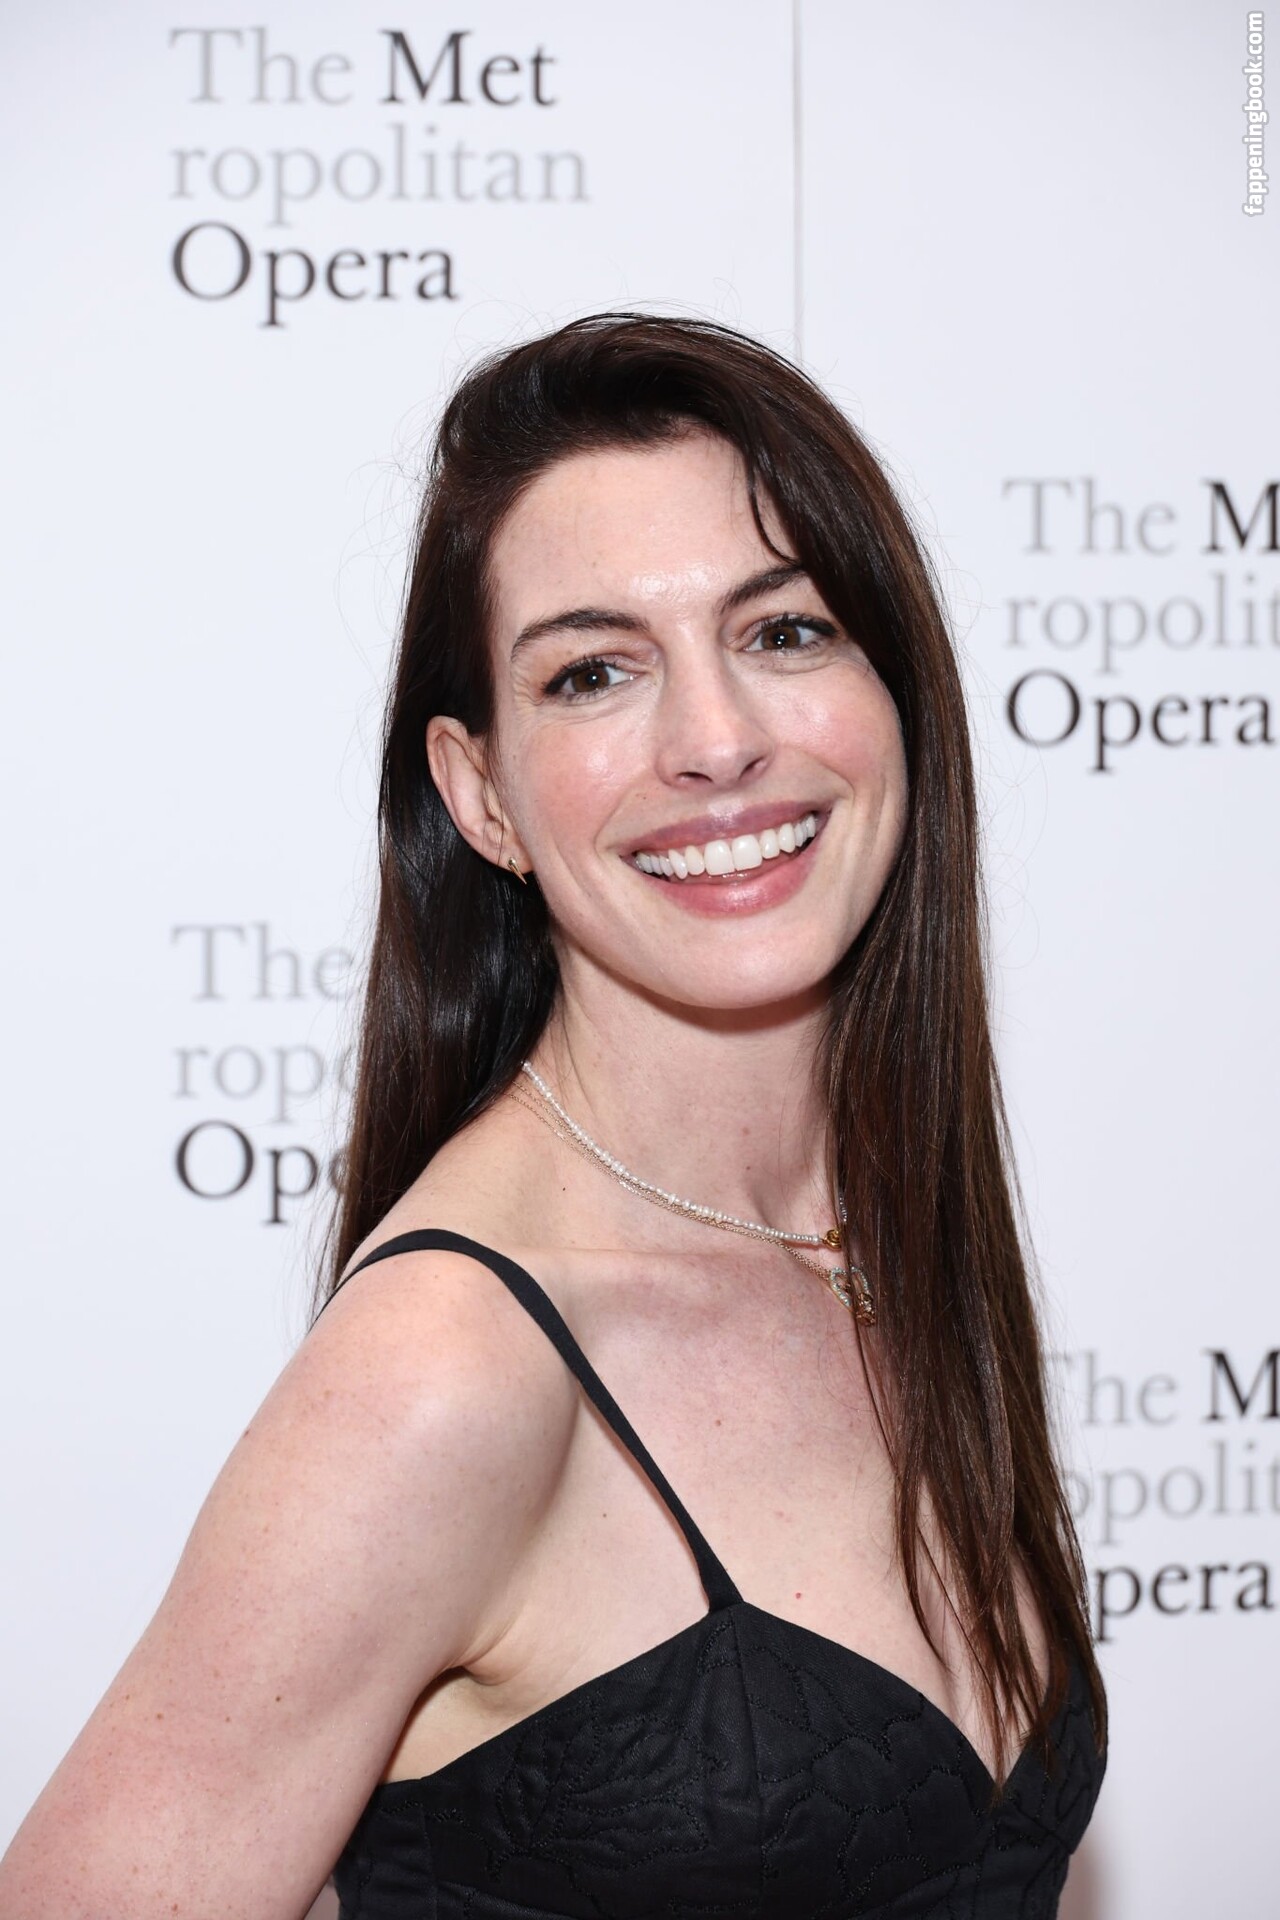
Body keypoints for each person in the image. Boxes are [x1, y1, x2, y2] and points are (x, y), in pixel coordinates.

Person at [0, 313, 1106, 1918]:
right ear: (483, 796)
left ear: (897, 690)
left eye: (785, 631)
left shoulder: (887, 1242)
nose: (717, 740)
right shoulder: (445, 1372)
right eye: (594, 671)